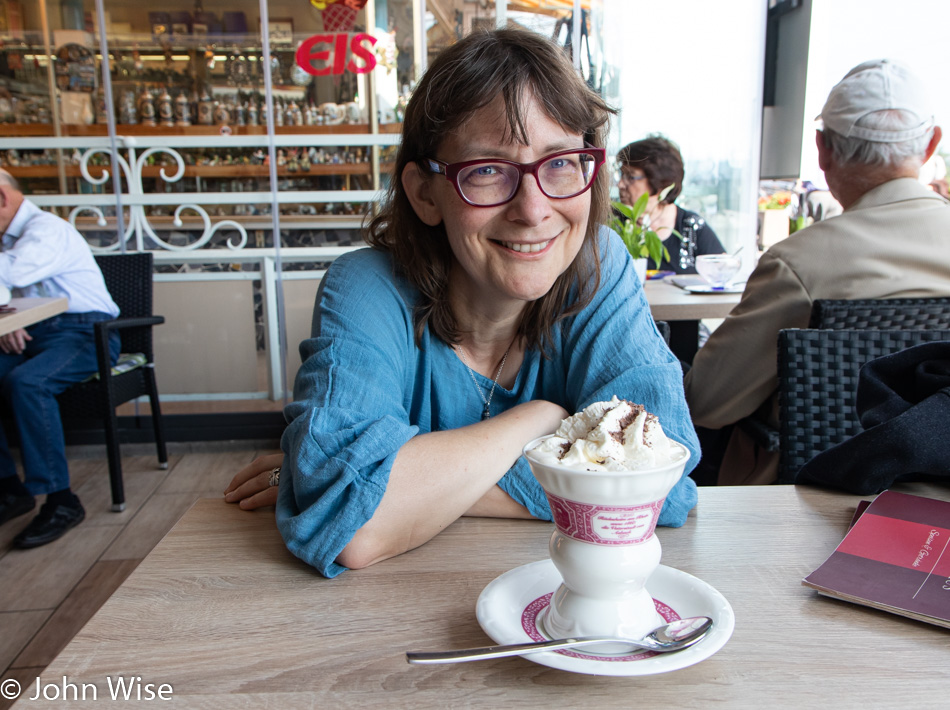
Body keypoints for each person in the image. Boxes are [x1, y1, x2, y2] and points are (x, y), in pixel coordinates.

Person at [225, 28, 700, 578]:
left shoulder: (595, 265)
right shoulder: (365, 286)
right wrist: (539, 422)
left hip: (563, 604)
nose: (534, 209)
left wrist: (377, 487)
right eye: (489, 170)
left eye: (562, 162)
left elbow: (663, 489)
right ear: (425, 192)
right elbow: (352, 530)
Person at [684, 58, 950, 486]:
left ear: (822, 148)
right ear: (931, 143)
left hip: (801, 501)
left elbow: (706, 402)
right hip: (934, 502)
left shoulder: (800, 263)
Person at [0, 168, 120, 547]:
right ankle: (9, 488)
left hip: (87, 332)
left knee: (27, 382)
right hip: (35, 331)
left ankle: (61, 499)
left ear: (2, 198)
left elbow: (9, 273)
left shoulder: (46, 230)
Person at [615, 136, 724, 273]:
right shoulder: (611, 223)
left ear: (660, 181)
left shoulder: (691, 227)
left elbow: (721, 271)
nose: (620, 184)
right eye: (621, 174)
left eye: (630, 176)